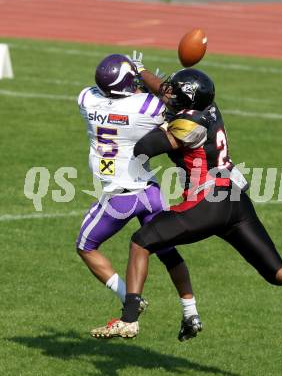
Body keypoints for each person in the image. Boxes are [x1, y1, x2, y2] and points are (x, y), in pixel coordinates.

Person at [94, 57, 282, 339]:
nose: (168, 94)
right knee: (277, 271)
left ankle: (129, 319)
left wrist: (156, 118)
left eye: (174, 93)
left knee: (141, 241)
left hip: (208, 203)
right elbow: (166, 91)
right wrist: (141, 72)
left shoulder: (187, 126)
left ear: (185, 101)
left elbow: (144, 147)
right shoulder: (208, 107)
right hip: (235, 200)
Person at [76, 54, 202, 341]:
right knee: (166, 250)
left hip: (118, 197)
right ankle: (190, 310)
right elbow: (170, 99)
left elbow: (103, 93)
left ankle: (130, 300)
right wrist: (144, 76)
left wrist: (129, 81)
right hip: (149, 191)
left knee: (85, 245)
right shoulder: (145, 106)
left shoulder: (86, 100)